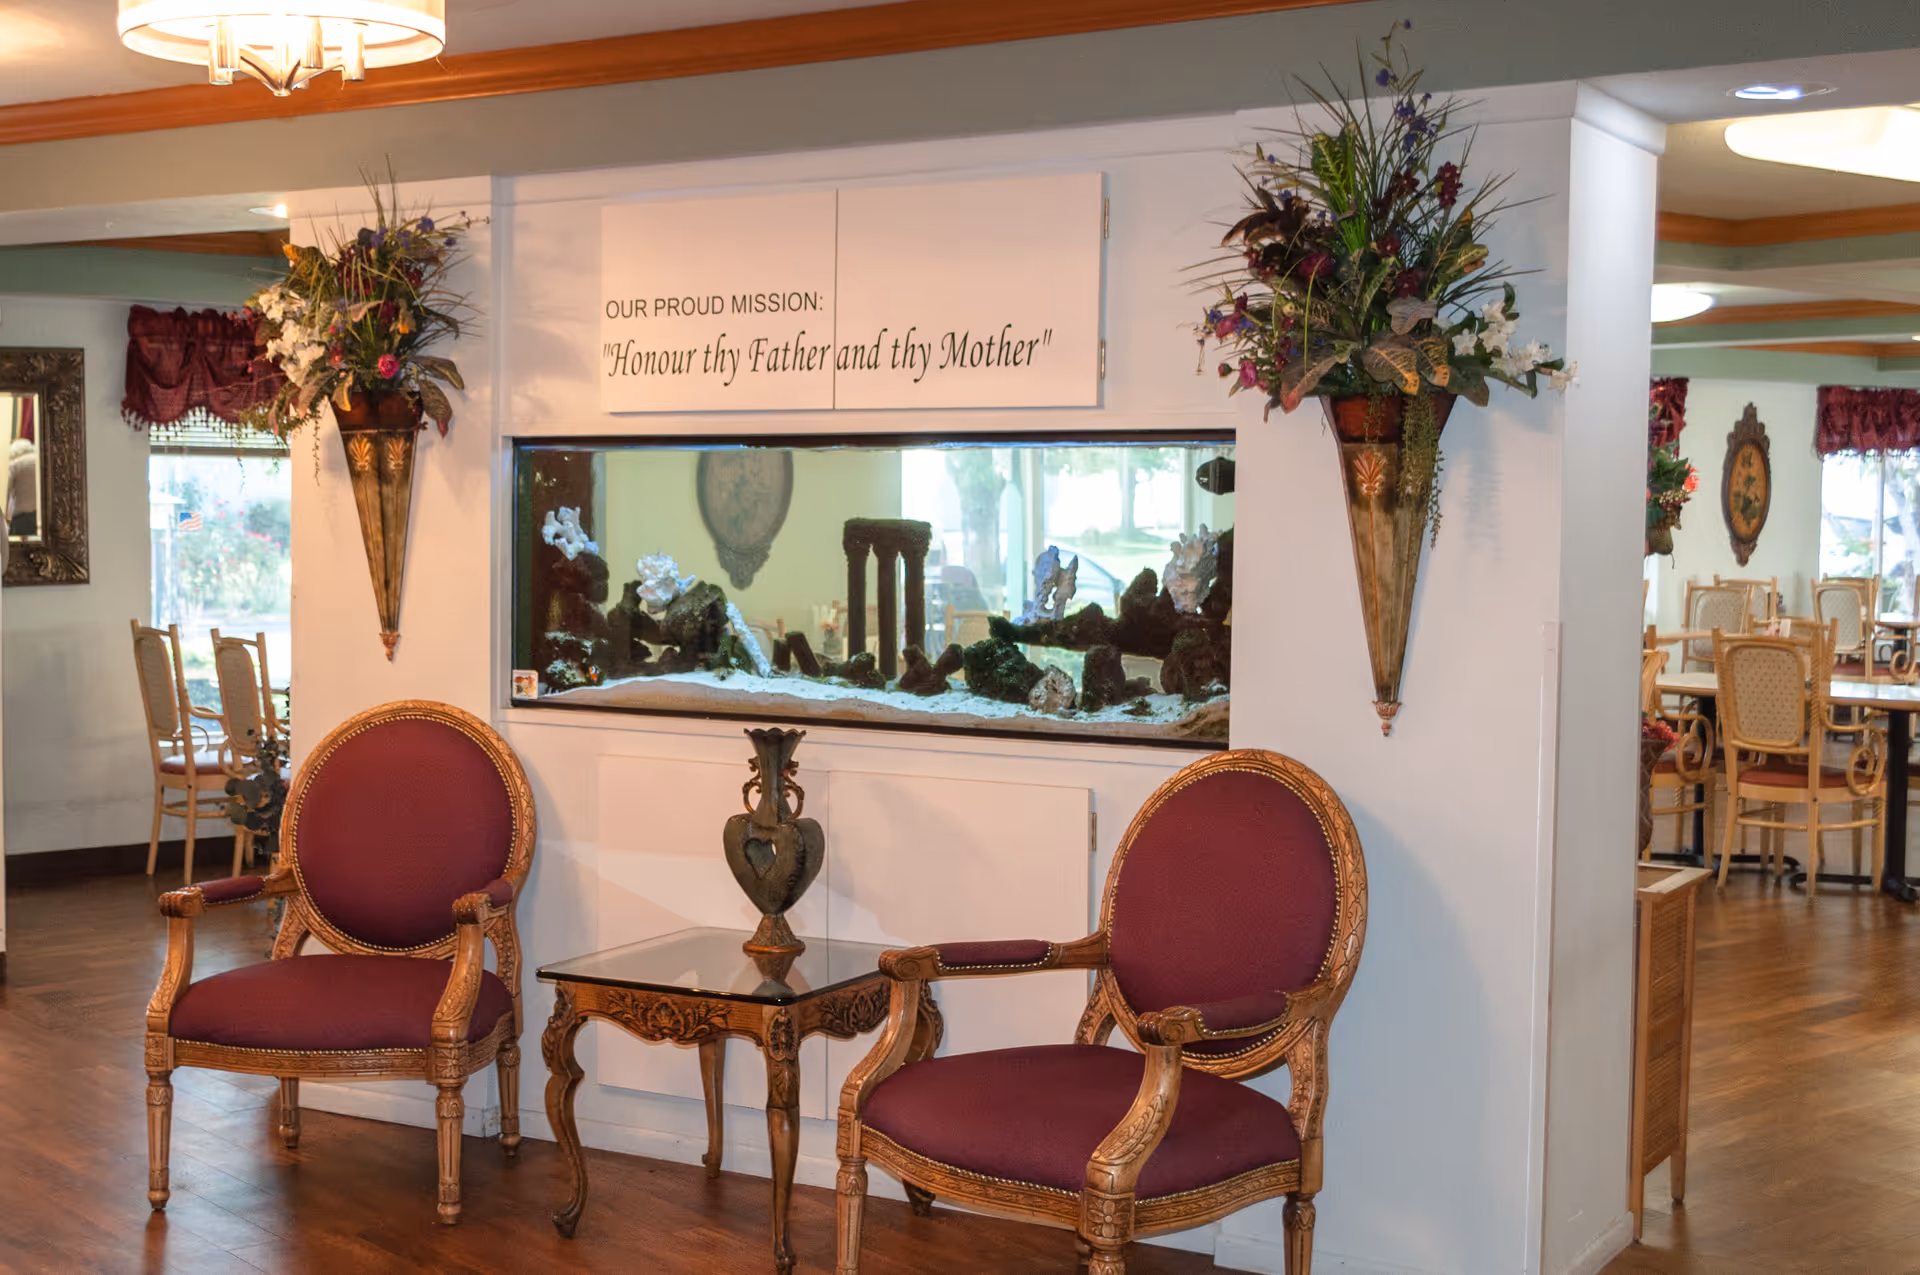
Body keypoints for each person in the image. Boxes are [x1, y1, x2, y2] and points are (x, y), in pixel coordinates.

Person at [7, 436, 35, 538]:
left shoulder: (14, 465)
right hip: (38, 511)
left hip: (20, 513)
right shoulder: (38, 460)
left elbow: (7, 491)